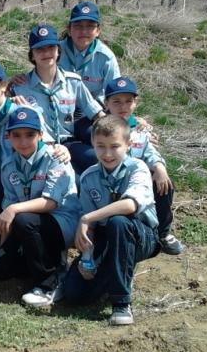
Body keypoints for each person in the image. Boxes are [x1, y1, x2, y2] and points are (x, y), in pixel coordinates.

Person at [63, 115, 160, 326]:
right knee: (74, 295)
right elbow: (90, 227)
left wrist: (88, 217)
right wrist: (87, 258)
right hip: (107, 237)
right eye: (101, 146)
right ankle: (115, 272)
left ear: (128, 145)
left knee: (119, 222)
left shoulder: (138, 168)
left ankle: (121, 303)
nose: (107, 154)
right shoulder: (89, 177)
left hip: (142, 235)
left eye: (115, 146)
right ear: (92, 144)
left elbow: (129, 206)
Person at [0, 62, 69, 230]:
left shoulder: (23, 111)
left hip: (28, 178)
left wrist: (61, 148)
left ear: (4, 86)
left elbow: (47, 143)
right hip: (3, 179)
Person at [0, 107, 81, 309]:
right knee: (0, 268)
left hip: (62, 222)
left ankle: (49, 284)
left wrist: (14, 209)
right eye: (17, 135)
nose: (23, 142)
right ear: (9, 137)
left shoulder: (55, 158)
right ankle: (54, 265)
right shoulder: (9, 166)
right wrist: (4, 248)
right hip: (32, 224)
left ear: (41, 134)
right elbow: (8, 212)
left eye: (30, 135)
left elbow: (50, 203)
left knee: (23, 219)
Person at [103, 76, 184, 255]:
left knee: (163, 182)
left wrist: (159, 167)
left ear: (135, 103)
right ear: (106, 103)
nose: (123, 107)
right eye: (116, 102)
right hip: (112, 179)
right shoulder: (102, 128)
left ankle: (161, 232)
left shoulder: (141, 129)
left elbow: (150, 152)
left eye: (128, 101)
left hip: (138, 179)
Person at [11, 24, 105, 174]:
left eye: (51, 48)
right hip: (40, 147)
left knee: (96, 159)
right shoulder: (20, 88)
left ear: (58, 51)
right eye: (40, 49)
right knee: (64, 175)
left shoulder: (73, 81)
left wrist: (122, 131)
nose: (46, 53)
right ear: (32, 55)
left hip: (69, 142)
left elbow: (95, 112)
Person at [59, 1, 121, 104]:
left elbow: (114, 92)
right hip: (60, 106)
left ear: (98, 31)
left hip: (94, 110)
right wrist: (25, 79)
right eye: (78, 26)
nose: (83, 32)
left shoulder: (106, 57)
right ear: (69, 30)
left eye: (90, 26)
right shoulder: (56, 51)